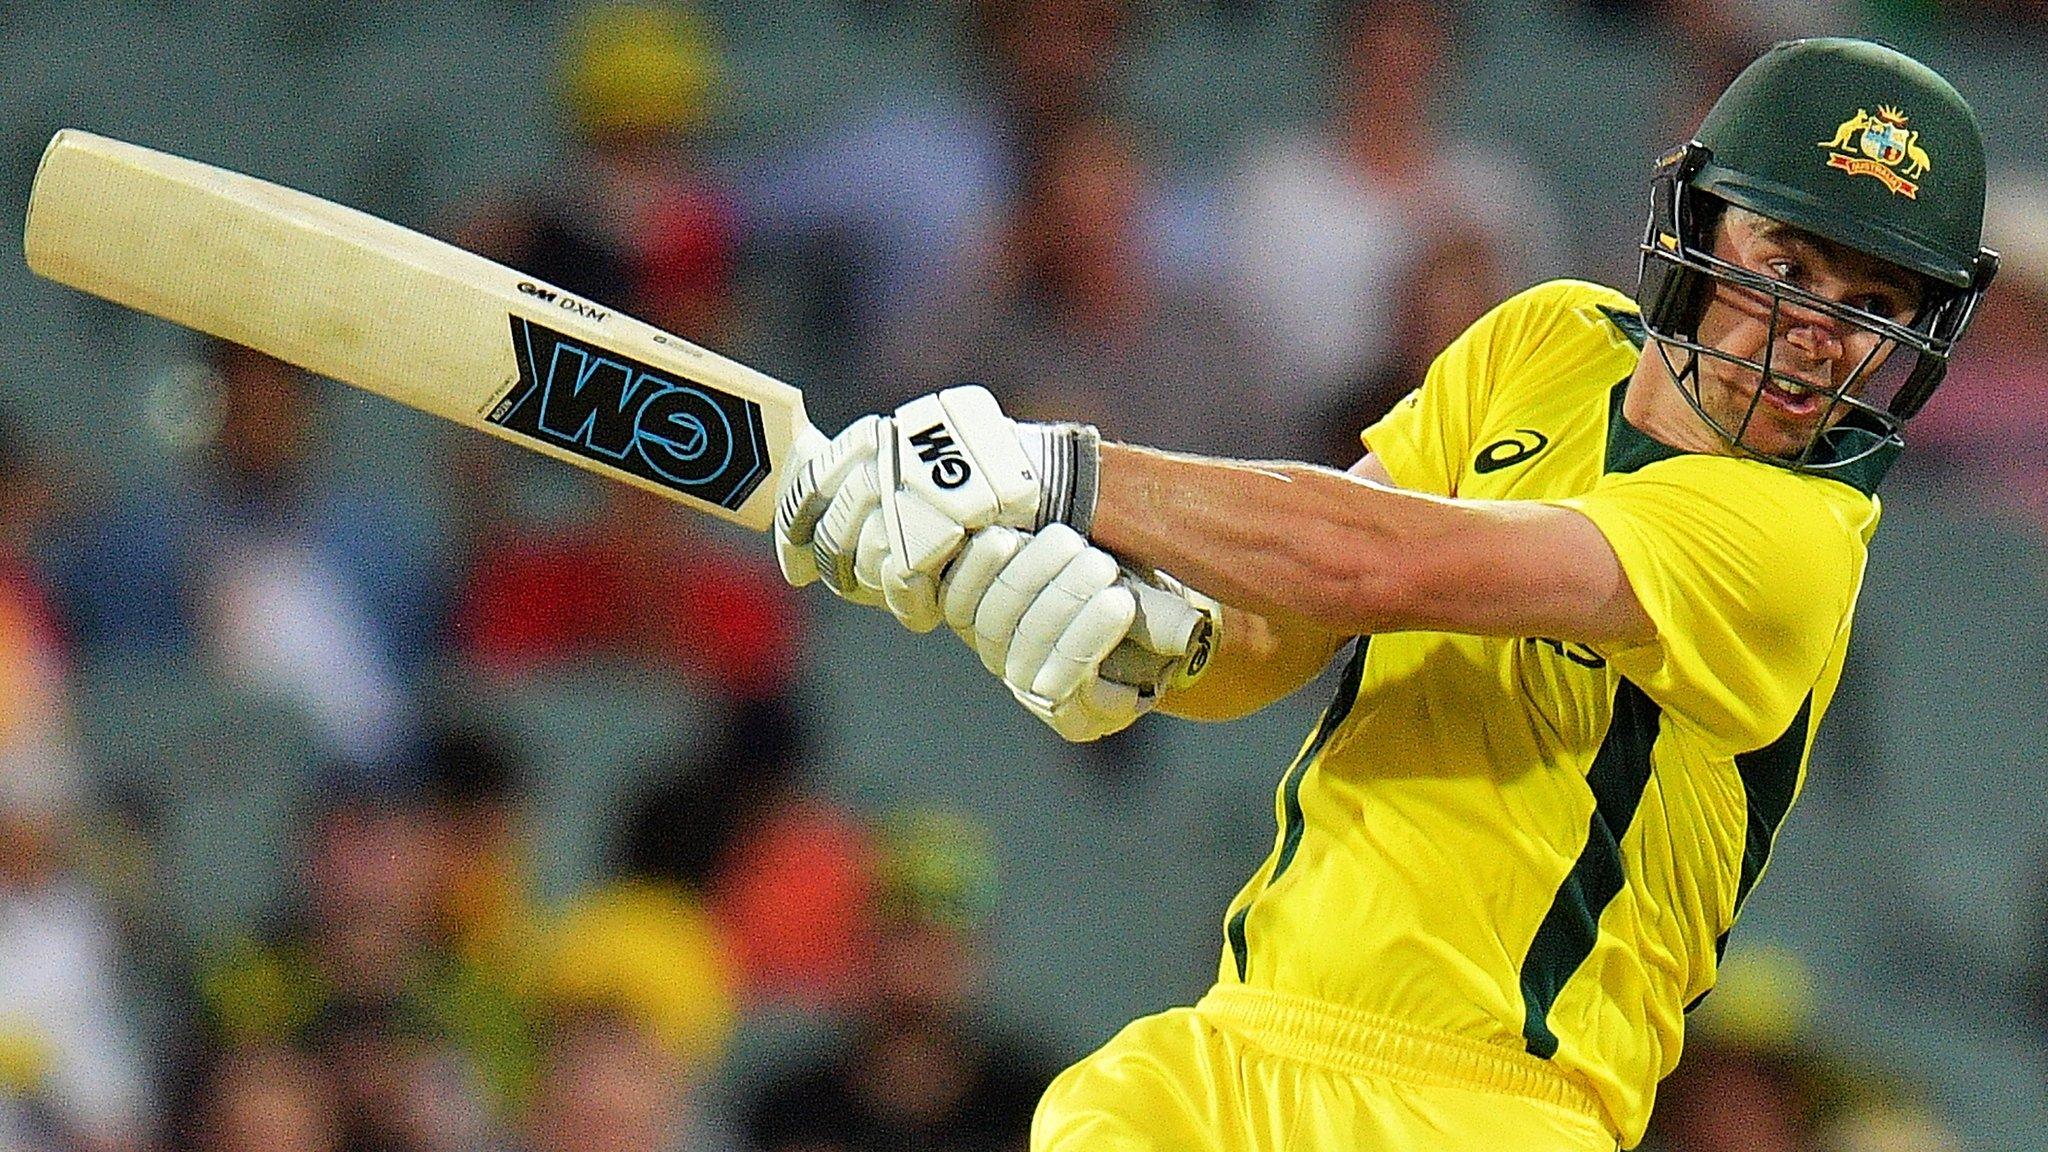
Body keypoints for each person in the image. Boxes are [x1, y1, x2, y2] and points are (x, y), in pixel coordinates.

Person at [770, 36, 1998, 1151]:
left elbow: (1384, 560)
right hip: (1239, 1044)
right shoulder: (1548, 339)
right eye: (1786, 261)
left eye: (1873, 304)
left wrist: (1053, 469)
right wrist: (1162, 649)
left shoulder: (1796, 536)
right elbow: (1292, 618)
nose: (1815, 333)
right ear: (1702, 226)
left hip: (1496, 1103)